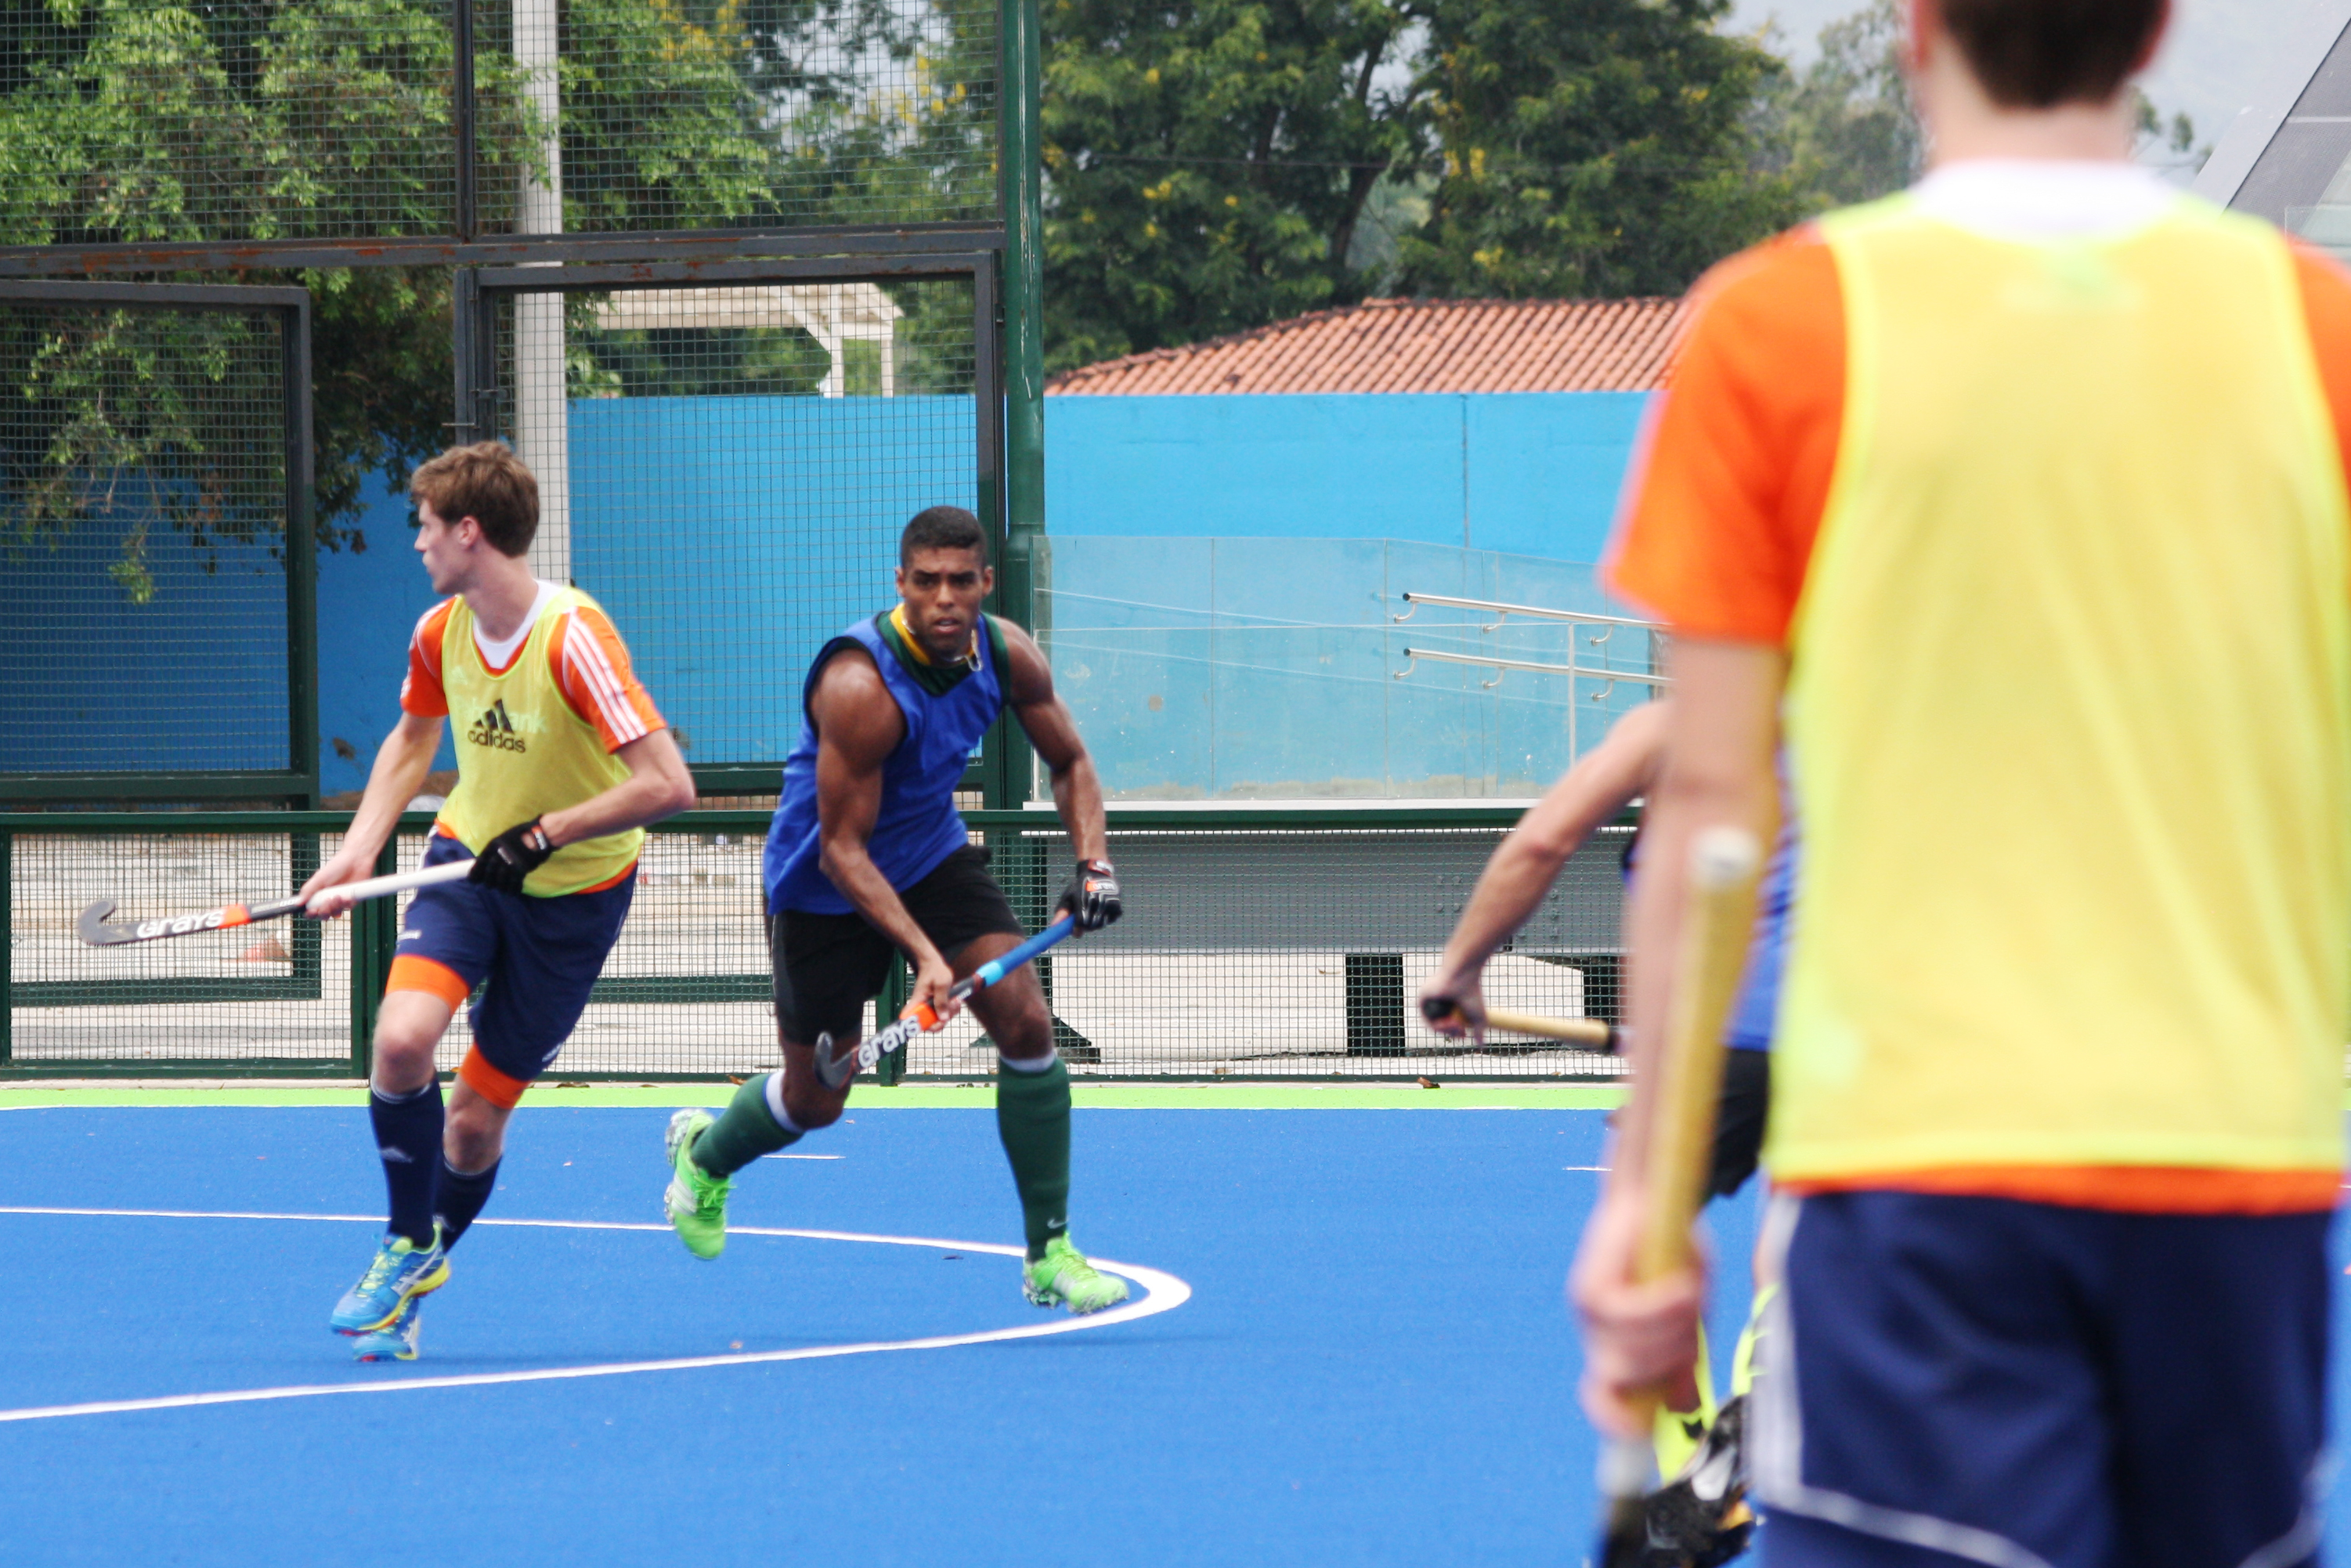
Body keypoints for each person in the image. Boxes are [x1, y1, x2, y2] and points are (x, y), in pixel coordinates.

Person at [1576, 1, 2351, 1564]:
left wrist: (1648, 1226)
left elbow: (1714, 820)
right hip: (2238, 1166)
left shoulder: (1779, 325)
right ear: (2153, 36)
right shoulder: (2315, 330)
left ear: (1916, 32)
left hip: (1920, 1161)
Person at [659, 505, 1131, 1314]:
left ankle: (1048, 1250)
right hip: (820, 885)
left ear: (985, 582)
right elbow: (842, 849)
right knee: (817, 1098)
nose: (943, 598)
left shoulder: (1007, 654)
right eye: (926, 582)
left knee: (1023, 1022)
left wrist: (1094, 861)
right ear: (900, 584)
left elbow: (1071, 760)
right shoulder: (859, 686)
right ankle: (704, 1156)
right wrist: (925, 959)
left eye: (960, 581)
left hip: (928, 855)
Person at [299, 443, 696, 1361]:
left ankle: (421, 1263)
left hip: (575, 896)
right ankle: (404, 1246)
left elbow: (668, 782)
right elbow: (410, 739)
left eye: (426, 526)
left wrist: (552, 831)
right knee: (399, 1042)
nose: (417, 543)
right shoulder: (440, 631)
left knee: (473, 1125)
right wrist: (355, 854)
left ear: (468, 532)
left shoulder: (572, 637)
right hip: (469, 865)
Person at [1418, 697, 1790, 1552]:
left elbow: (1542, 841)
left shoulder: (1670, 726)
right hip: (1855, 1036)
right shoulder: (1870, 725)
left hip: (1713, 1038)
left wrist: (1462, 967)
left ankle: (1684, 1463)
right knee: (1803, 1220)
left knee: (1645, 1238)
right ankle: (1767, 1384)